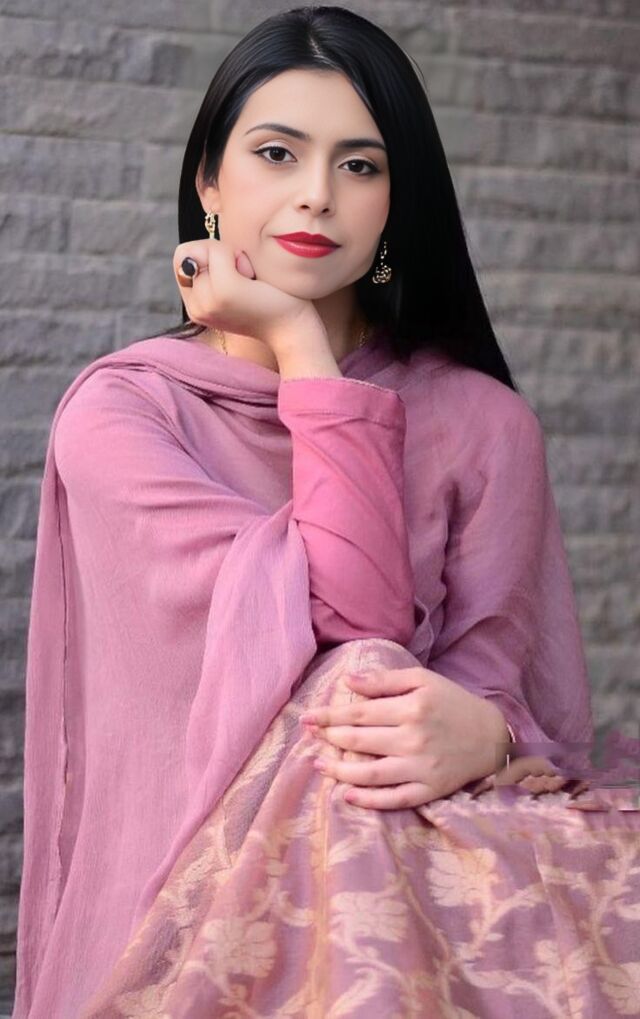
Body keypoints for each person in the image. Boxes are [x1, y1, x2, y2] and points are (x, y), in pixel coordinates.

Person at [12, 6, 639, 1017]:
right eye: (277, 153)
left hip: (428, 880)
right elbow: (338, 629)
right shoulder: (123, 415)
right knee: (356, 677)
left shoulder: (483, 422)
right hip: (183, 901)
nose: (317, 193)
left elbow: (513, 701)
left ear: (398, 200)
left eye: (360, 165)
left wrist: (483, 729)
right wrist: (301, 344)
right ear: (209, 183)